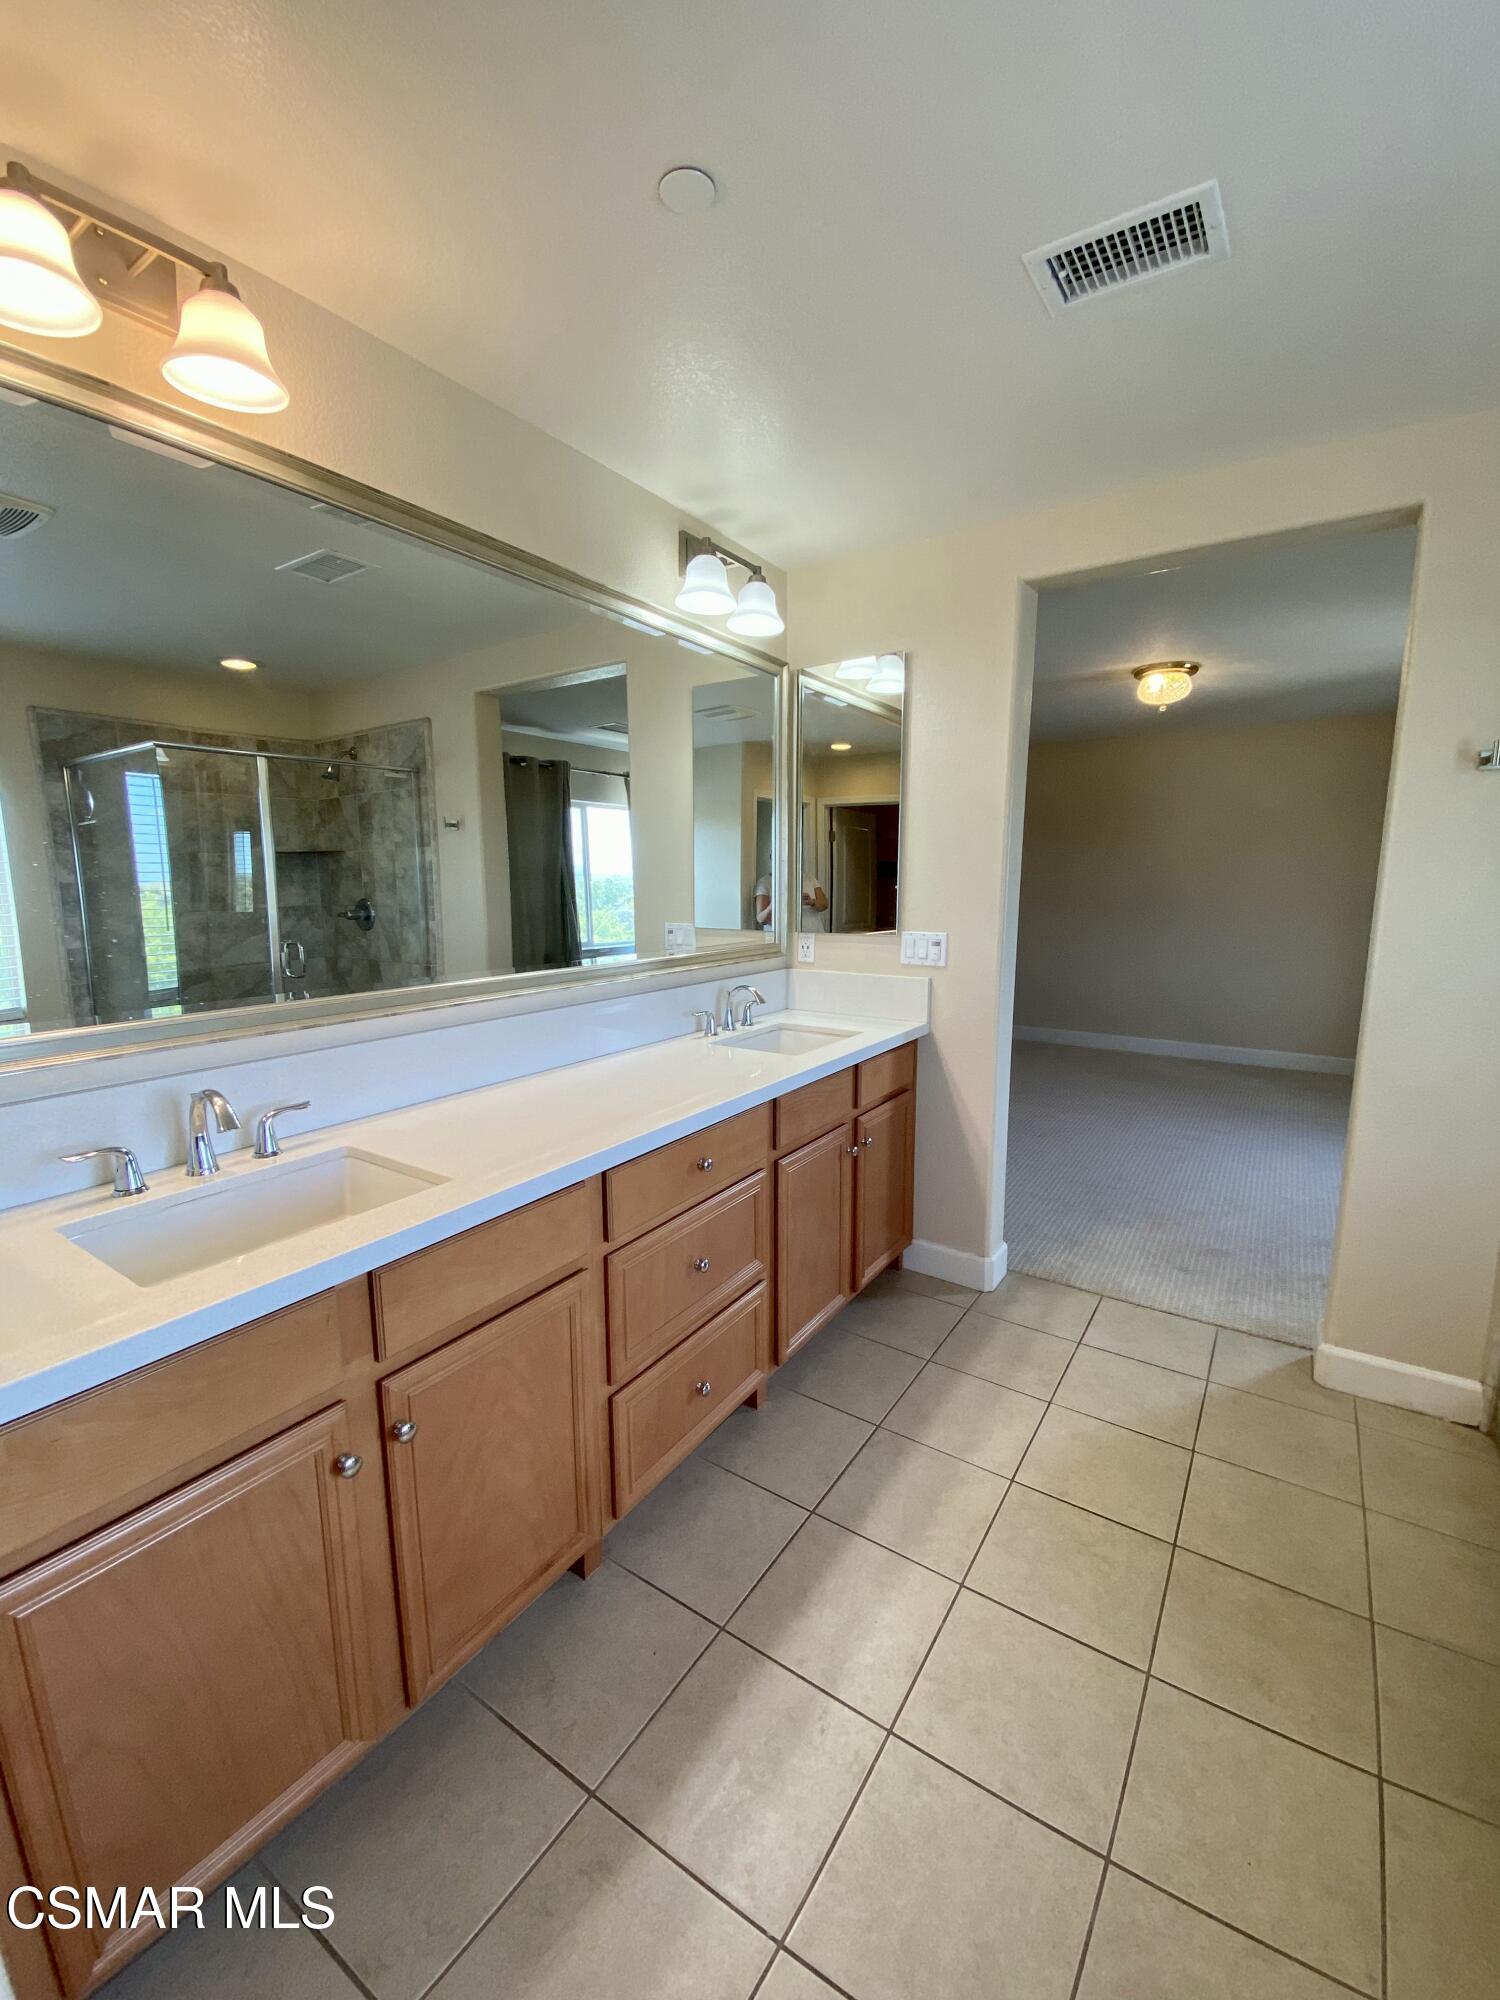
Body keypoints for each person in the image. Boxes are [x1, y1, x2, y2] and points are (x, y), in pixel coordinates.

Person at [754, 871, 829, 932]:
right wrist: (773, 905)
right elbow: (761, 920)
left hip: (812, 934)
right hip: (780, 938)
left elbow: (824, 905)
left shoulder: (809, 878)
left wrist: (812, 902)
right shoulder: (765, 882)